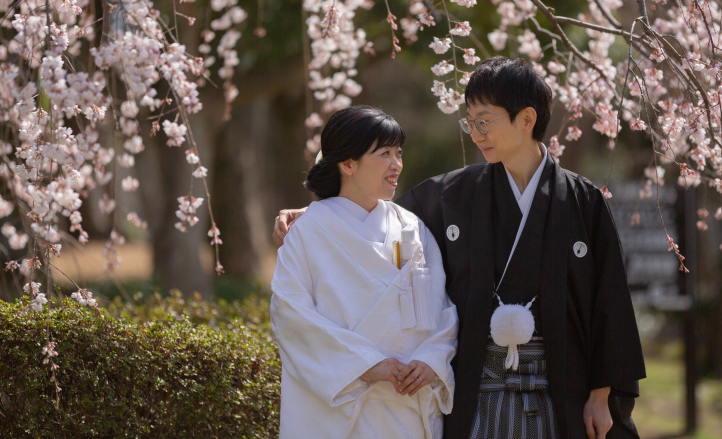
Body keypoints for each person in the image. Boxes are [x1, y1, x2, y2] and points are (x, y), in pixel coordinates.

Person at [274, 58, 645, 439]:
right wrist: (316, 211)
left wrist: (601, 395)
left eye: (484, 121)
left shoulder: (583, 201)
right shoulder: (453, 194)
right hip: (480, 388)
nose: (476, 133)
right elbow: (373, 211)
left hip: (562, 386)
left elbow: (609, 300)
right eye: (470, 122)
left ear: (526, 119)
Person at [270, 106, 459, 439]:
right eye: (384, 154)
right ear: (347, 164)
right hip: (343, 402)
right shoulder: (307, 231)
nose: (396, 164)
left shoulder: (412, 227)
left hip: (406, 404)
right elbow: (291, 317)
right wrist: (366, 364)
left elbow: (443, 308)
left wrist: (432, 360)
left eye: (399, 153)